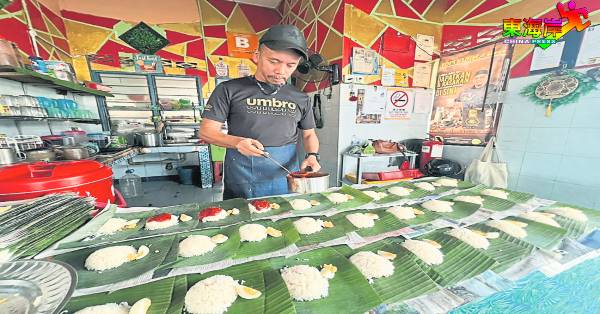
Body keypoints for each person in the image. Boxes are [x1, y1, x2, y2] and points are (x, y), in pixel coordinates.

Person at [199, 24, 321, 200]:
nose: (281, 71)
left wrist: (312, 156)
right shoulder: (228, 89)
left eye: (290, 65)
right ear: (257, 56)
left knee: (281, 217)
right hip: (242, 169)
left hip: (285, 170)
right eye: (273, 61)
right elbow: (206, 132)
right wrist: (238, 142)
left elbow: (309, 134)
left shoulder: (300, 97)